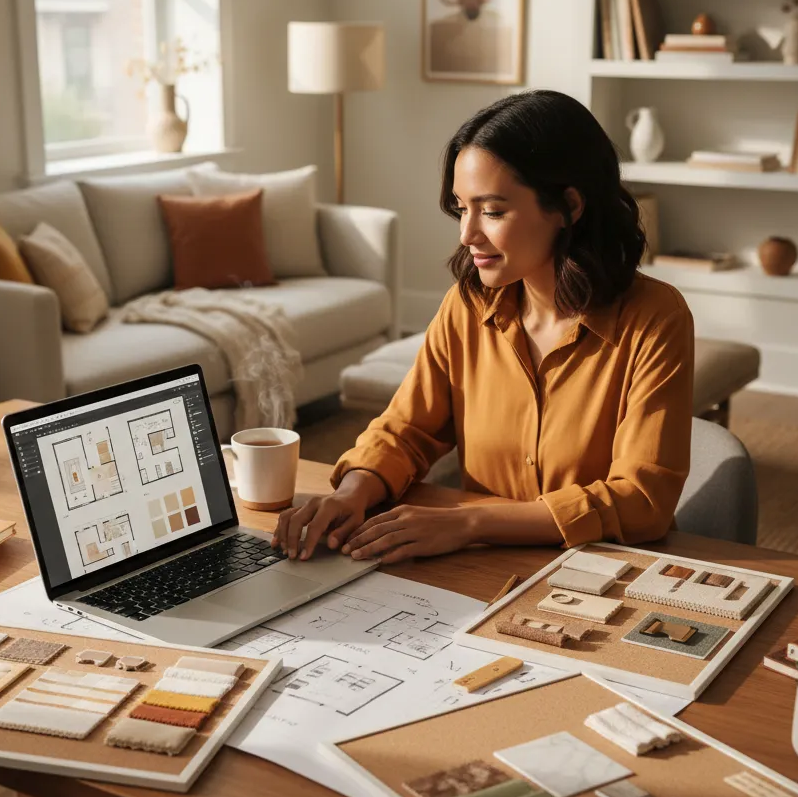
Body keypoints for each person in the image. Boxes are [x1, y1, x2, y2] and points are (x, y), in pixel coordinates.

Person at [273, 89, 694, 564]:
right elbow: (407, 429)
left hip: (603, 571)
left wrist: (468, 523)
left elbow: (643, 501)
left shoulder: (656, 318)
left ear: (569, 206)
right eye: (461, 207)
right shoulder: (468, 306)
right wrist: (353, 491)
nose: (467, 234)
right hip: (482, 566)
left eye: (492, 211)